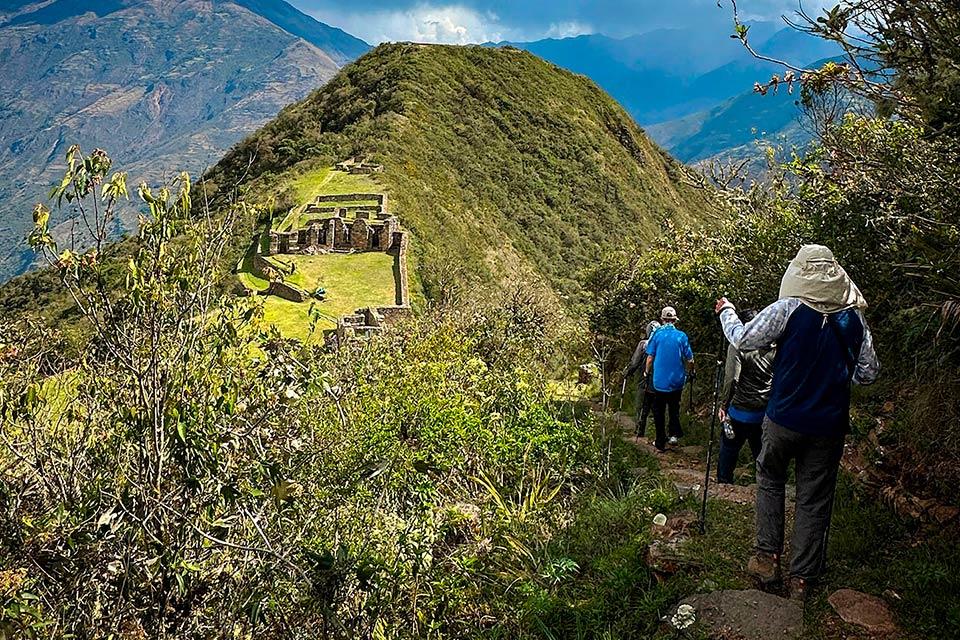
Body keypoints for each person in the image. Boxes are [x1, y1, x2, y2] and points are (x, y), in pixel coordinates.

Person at [715, 245, 879, 601]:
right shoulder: (855, 319)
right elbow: (868, 373)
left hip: (783, 417)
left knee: (771, 479)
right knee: (814, 498)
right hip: (829, 425)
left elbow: (744, 339)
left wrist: (727, 311)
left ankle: (766, 558)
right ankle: (802, 579)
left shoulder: (788, 308)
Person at [716, 309, 776, 484]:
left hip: (739, 410)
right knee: (760, 450)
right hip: (764, 410)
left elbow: (731, 380)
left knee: (729, 447)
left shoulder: (738, 346)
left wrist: (723, 405)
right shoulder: (773, 346)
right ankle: (765, 485)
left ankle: (724, 482)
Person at [645, 306, 694, 452]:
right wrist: (692, 371)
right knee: (674, 407)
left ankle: (660, 441)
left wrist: (646, 372)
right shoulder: (681, 336)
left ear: (662, 319)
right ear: (674, 320)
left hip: (659, 381)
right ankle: (673, 435)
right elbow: (690, 359)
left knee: (659, 410)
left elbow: (650, 357)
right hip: (677, 380)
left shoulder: (657, 335)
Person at [623, 320, 661, 438]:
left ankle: (640, 429)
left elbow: (635, 362)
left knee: (641, 404)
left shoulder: (643, 344)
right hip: (659, 380)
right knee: (657, 405)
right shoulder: (662, 345)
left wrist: (627, 372)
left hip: (643, 378)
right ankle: (656, 432)